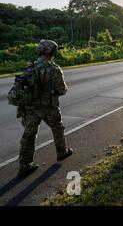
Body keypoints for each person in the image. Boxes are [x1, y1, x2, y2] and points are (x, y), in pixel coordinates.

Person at [18, 40, 73, 178]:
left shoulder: (29, 68)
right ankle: (62, 152)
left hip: (31, 108)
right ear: (51, 52)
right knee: (58, 128)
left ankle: (24, 165)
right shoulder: (54, 69)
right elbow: (62, 89)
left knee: (29, 135)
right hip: (49, 107)